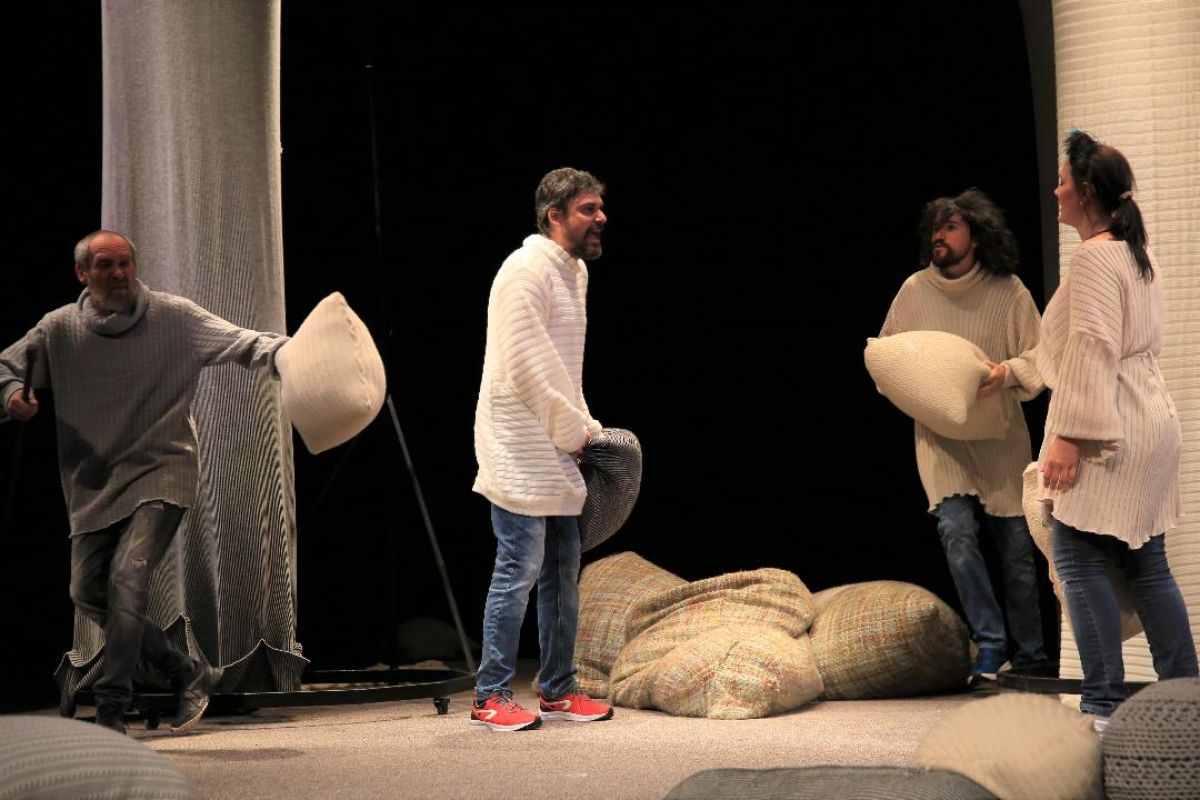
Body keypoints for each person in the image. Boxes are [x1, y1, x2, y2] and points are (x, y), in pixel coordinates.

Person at [0, 230, 289, 734]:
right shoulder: (60, 330)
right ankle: (187, 671)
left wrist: (297, 354)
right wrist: (11, 397)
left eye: (125, 264)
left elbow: (247, 343)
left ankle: (112, 709)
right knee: (87, 591)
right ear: (82, 274)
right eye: (105, 265)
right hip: (94, 482)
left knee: (127, 580)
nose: (118, 275)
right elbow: (8, 366)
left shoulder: (174, 317)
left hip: (162, 467)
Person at [1039, 129, 1198, 727]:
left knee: (1076, 555)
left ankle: (1103, 705)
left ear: (1084, 192)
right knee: (1147, 563)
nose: (1055, 192)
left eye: (1062, 182)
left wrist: (1070, 436)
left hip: (1114, 421)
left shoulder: (1094, 256)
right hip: (1151, 415)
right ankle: (1186, 700)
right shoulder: (1135, 250)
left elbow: (1093, 347)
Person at [880, 188, 1048, 682]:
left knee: (1016, 548)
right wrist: (918, 390)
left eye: (951, 227)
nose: (940, 235)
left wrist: (1007, 373)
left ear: (976, 236)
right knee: (956, 531)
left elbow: (1042, 356)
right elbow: (886, 355)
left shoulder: (1008, 291)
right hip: (941, 437)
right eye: (935, 227)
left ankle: (1032, 654)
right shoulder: (915, 291)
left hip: (999, 435)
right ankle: (990, 644)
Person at [469, 168, 614, 731]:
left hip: (557, 446)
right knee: (518, 570)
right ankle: (489, 695)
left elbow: (563, 370)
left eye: (600, 207)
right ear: (554, 215)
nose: (600, 218)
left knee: (561, 572)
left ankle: (557, 688)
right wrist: (575, 432)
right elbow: (525, 368)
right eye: (587, 209)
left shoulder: (573, 272)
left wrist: (585, 427)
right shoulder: (525, 270)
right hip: (518, 447)